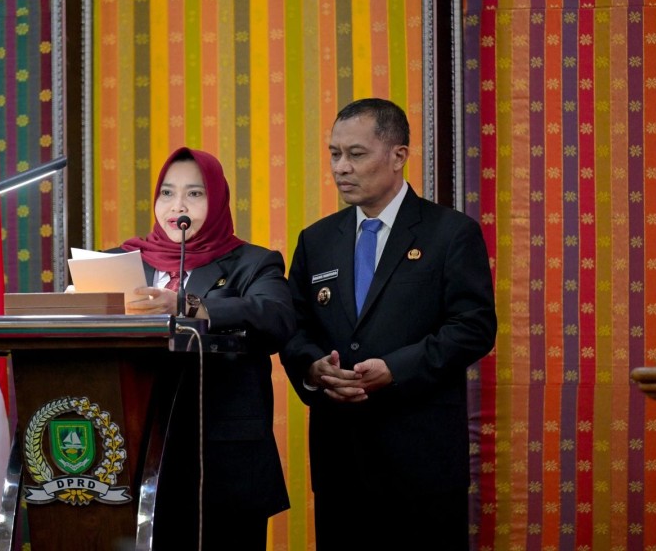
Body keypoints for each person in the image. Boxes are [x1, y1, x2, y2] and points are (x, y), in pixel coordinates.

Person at [279, 98, 497, 549]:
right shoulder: (317, 239)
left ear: (398, 155)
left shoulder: (450, 233)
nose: (341, 167)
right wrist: (313, 369)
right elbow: (294, 326)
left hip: (422, 457)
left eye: (356, 154)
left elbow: (473, 326)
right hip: (341, 458)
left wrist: (396, 368)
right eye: (334, 154)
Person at [117, 147, 292, 550]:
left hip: (222, 464)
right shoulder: (121, 263)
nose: (177, 205)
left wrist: (189, 305)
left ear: (217, 201)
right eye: (167, 193)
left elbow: (276, 316)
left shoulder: (252, 263)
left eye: (195, 194)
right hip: (131, 456)